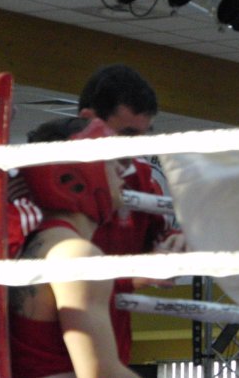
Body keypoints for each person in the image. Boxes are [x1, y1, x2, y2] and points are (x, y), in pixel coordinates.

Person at [9, 117, 140, 378]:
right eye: (111, 161)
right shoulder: (76, 255)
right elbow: (100, 374)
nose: (122, 171)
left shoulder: (34, 244)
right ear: (78, 173)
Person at [78, 64, 184, 364]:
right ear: (89, 120)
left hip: (113, 352)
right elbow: (40, 280)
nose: (135, 148)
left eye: (143, 135)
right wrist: (133, 277)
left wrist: (177, 244)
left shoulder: (141, 178)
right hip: (50, 357)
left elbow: (164, 237)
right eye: (127, 134)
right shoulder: (41, 178)